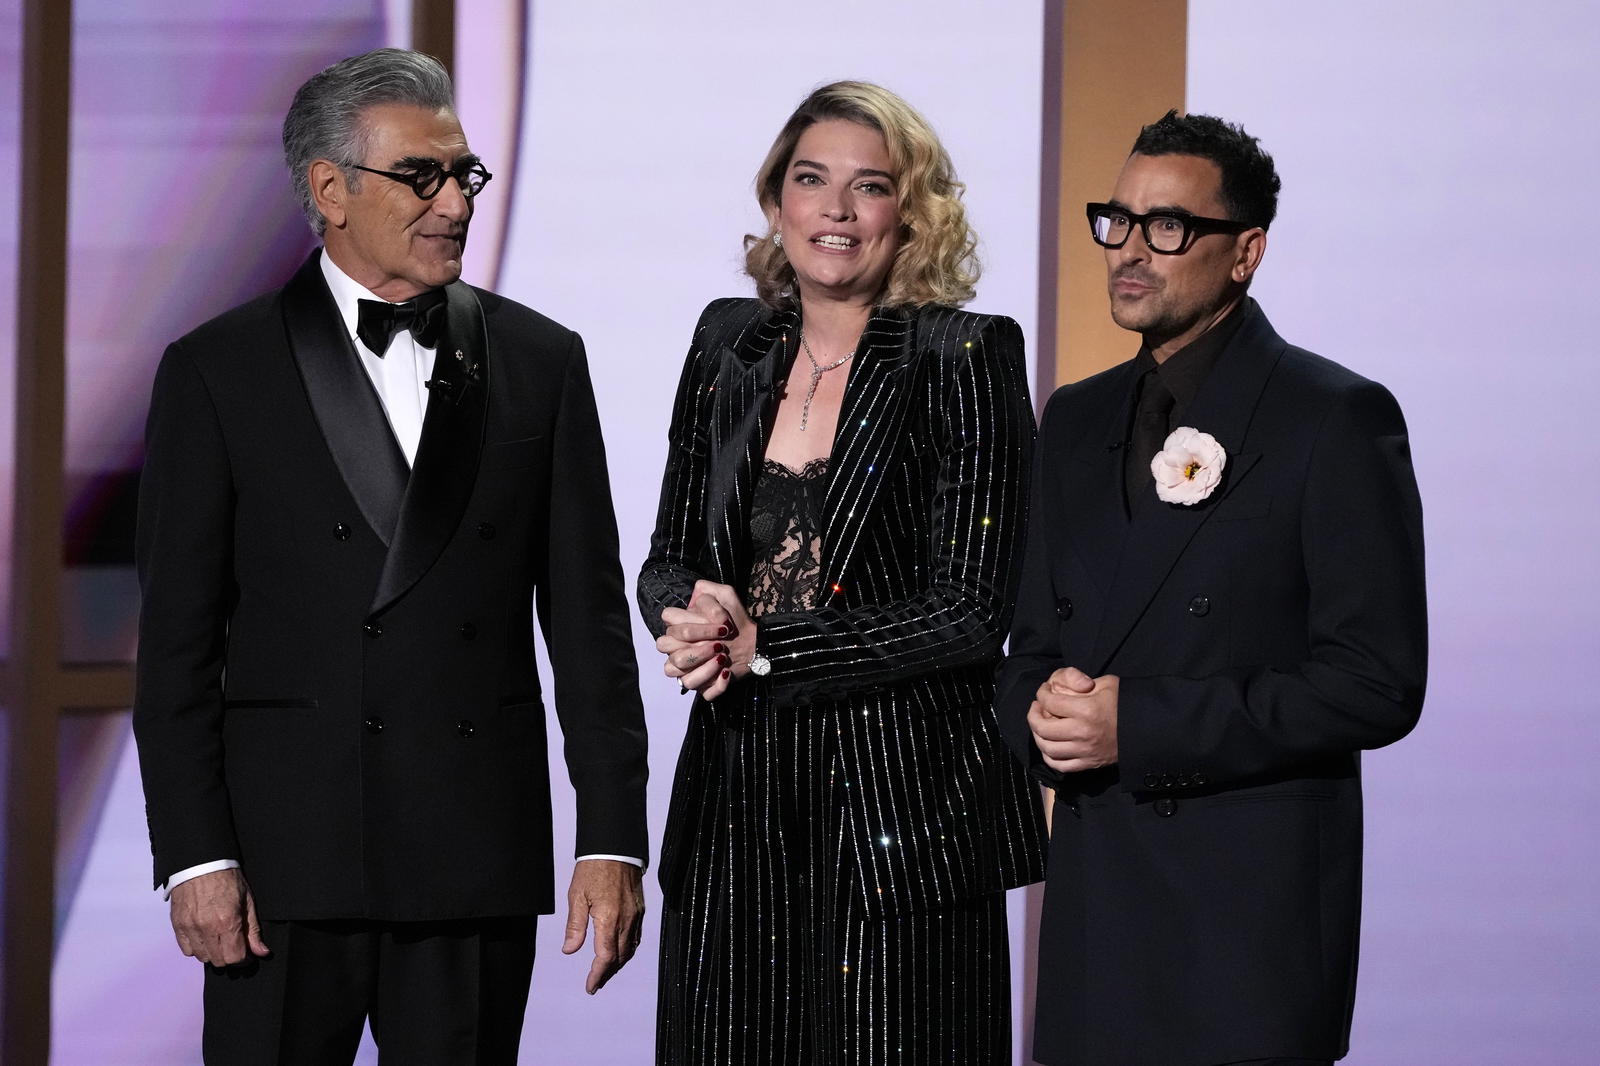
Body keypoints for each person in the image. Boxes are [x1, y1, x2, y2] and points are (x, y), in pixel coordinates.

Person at [132, 48, 648, 1064]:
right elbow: (177, 652)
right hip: (281, 865)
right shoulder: (214, 371)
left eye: (464, 174)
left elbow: (588, 626)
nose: (456, 199)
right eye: (423, 175)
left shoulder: (543, 360)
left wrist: (610, 835)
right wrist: (195, 854)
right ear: (329, 189)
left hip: (470, 852)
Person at [996, 110, 1427, 1066]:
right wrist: (1041, 713)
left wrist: (1138, 726)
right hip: (1098, 911)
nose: (1131, 252)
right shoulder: (1074, 418)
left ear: (1246, 252)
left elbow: (1377, 681)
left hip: (1245, 924)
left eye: (1169, 227)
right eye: (1118, 220)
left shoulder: (1334, 417)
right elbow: (1030, 645)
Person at [637, 81, 1045, 1064]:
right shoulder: (725, 341)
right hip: (736, 791)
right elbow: (668, 557)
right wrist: (688, 615)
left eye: (868, 187)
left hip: (896, 806)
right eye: (810, 179)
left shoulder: (967, 355)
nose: (834, 208)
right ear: (776, 199)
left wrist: (766, 643)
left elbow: (970, 608)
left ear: (909, 214)